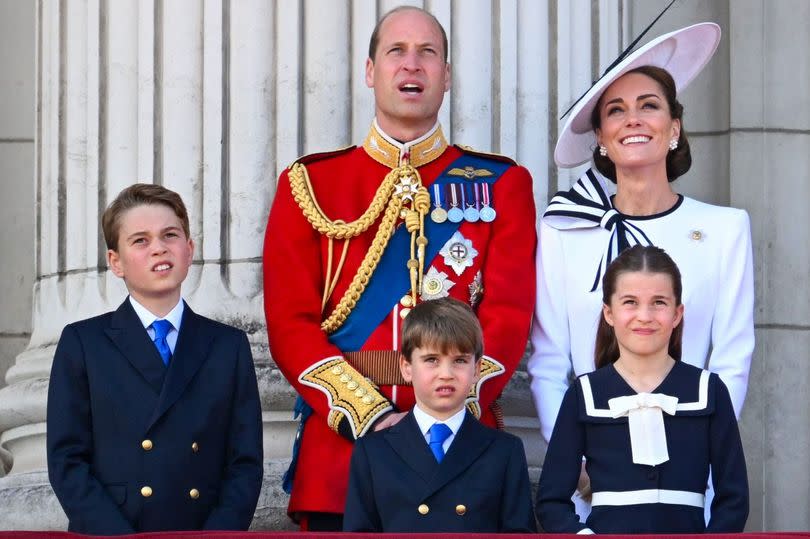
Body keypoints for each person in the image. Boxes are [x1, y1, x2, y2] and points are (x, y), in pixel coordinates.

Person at [263, 5, 536, 530]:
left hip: (462, 456)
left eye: (428, 53)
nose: (412, 65)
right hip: (341, 457)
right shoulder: (310, 184)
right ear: (371, 72)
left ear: (447, 76)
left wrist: (446, 414)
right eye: (397, 52)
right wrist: (369, 416)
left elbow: (507, 316)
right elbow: (290, 325)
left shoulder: (502, 185)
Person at [528, 22, 754, 513]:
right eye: (616, 110)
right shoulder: (563, 230)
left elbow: (732, 361)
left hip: (692, 479)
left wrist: (699, 454)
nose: (633, 120)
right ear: (601, 138)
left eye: (648, 105)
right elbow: (547, 364)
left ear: (674, 127)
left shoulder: (725, 229)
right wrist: (577, 458)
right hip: (593, 481)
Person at [47, 184, 263, 534]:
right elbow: (67, 461)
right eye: (140, 240)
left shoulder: (228, 346)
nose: (159, 248)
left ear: (189, 250)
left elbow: (245, 464)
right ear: (115, 262)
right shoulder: (83, 343)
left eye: (170, 235)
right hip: (112, 532)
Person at [536, 245, 749, 534]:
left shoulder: (708, 391)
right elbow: (551, 501)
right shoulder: (584, 393)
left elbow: (734, 499)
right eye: (630, 302)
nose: (645, 316)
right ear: (609, 313)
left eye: (659, 302)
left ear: (677, 313)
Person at [343, 298, 536, 533]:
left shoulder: (504, 451)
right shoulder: (372, 451)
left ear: (476, 370)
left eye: (460, 361)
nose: (446, 374)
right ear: (406, 368)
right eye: (432, 360)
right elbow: (359, 534)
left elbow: (519, 535)